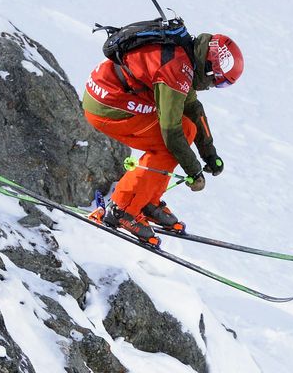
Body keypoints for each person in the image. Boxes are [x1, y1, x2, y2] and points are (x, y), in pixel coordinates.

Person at [83, 33, 244, 242]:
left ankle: (145, 200)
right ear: (211, 68)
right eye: (218, 81)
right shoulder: (177, 70)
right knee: (172, 141)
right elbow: (171, 131)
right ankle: (122, 209)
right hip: (108, 105)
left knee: (186, 129)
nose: (214, 85)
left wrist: (209, 154)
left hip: (109, 93)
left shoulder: (187, 54)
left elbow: (192, 108)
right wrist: (194, 171)